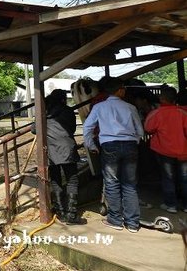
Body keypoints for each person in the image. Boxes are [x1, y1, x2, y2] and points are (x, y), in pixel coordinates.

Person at [83, 77, 144, 233]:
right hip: (130, 146)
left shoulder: (99, 107)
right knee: (130, 185)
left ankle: (115, 220)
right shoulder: (130, 107)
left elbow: (87, 127)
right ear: (118, 90)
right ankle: (132, 223)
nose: (124, 90)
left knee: (112, 183)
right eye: (123, 88)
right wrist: (135, 141)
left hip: (109, 146)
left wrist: (91, 145)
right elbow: (140, 130)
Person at [144, 85, 187, 213]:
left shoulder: (156, 113)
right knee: (185, 178)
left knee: (168, 177)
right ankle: (186, 205)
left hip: (163, 151)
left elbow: (148, 129)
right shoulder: (183, 113)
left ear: (161, 99)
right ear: (175, 99)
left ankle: (171, 205)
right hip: (184, 151)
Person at [44, 89, 84, 225]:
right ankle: (71, 214)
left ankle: (60, 213)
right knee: (72, 180)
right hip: (67, 148)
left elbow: (33, 129)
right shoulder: (68, 111)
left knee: (55, 180)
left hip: (50, 151)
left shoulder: (45, 112)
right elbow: (72, 128)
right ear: (63, 99)